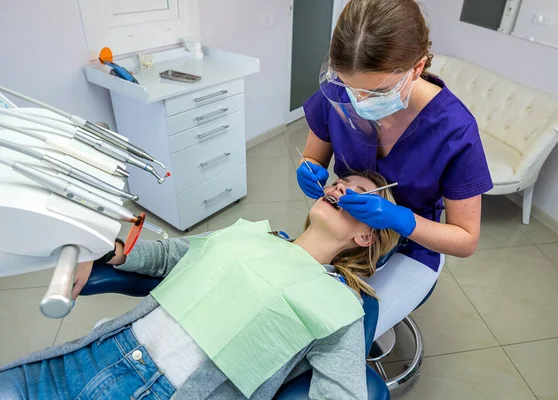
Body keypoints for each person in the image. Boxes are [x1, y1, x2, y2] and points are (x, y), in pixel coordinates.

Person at [0, 173, 399, 400]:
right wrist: (116, 251)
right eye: (339, 181)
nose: (339, 188)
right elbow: (174, 255)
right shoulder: (253, 233)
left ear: (367, 236)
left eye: (360, 194)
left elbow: (342, 396)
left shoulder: (339, 304)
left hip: (163, 391)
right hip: (102, 350)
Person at [296, 0, 493, 338]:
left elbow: (465, 240)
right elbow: (313, 158)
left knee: (341, 334)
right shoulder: (335, 91)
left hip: (415, 247)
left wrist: (400, 219)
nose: (359, 101)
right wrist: (310, 168)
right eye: (350, 87)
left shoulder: (454, 130)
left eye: (379, 91)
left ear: (417, 68)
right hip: (348, 235)